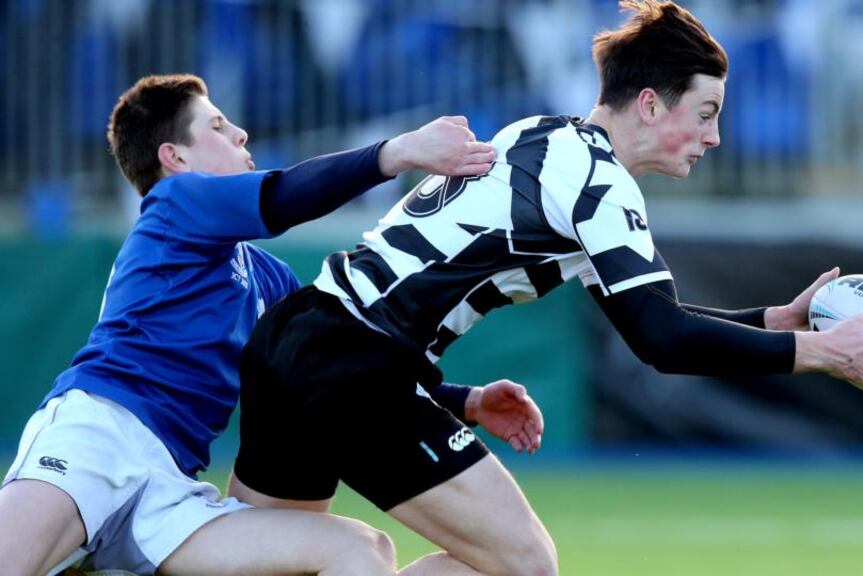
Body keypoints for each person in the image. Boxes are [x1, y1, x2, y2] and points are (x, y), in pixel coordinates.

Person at [229, 2, 863, 575]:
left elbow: (655, 317)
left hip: (295, 337)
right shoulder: (598, 184)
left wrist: (774, 320)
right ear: (652, 105)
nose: (715, 136)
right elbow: (661, 341)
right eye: (707, 111)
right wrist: (822, 352)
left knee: (267, 562)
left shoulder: (545, 137)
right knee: (525, 566)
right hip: (359, 365)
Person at [0, 73, 545, 576]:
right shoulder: (171, 204)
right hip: (99, 438)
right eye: (216, 125)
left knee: (361, 550)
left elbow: (339, 373)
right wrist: (397, 152)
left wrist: (465, 401)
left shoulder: (267, 277)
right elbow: (283, 195)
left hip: (170, 492)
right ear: (174, 157)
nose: (239, 132)